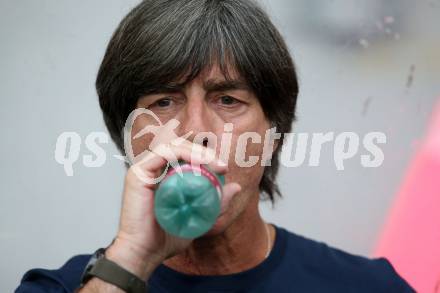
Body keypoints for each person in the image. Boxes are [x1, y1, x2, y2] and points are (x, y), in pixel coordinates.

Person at [16, 0, 415, 292]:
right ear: (128, 137)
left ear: (274, 131)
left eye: (228, 100)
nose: (196, 131)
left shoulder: (368, 286)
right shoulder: (61, 287)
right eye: (163, 102)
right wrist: (130, 259)